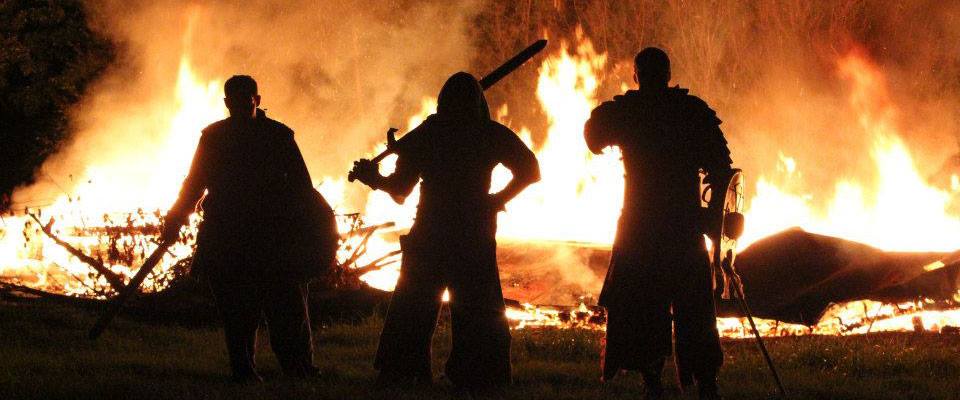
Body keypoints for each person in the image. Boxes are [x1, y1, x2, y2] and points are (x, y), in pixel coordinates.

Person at [350, 72, 540, 394]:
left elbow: (400, 189)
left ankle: (402, 370)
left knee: (414, 304)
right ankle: (479, 375)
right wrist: (496, 201)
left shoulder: (431, 134)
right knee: (477, 308)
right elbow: (530, 170)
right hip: (471, 230)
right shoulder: (486, 133)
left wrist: (375, 178)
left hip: (433, 230)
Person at [584, 48, 733, 399]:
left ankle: (655, 381)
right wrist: (714, 220)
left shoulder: (628, 112)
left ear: (636, 75)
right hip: (683, 224)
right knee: (692, 309)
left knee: (644, 304)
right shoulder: (692, 112)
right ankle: (703, 382)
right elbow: (723, 170)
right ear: (668, 74)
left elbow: (592, 137)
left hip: (642, 224)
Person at [161, 75, 321, 383]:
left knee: (285, 307)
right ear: (226, 104)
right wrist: (176, 216)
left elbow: (303, 187)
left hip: (273, 236)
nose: (240, 106)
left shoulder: (278, 136)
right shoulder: (214, 137)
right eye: (234, 102)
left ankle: (298, 368)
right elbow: (195, 182)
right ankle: (244, 371)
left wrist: (306, 230)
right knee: (238, 311)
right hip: (228, 234)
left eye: (246, 101)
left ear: (257, 100)